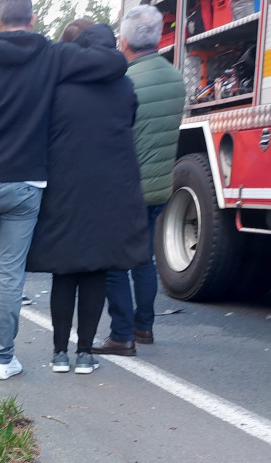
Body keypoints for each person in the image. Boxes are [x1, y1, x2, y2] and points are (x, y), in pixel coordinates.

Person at [0, 0, 128, 380]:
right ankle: (3, 359)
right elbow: (113, 64)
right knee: (10, 275)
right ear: (33, 19)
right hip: (26, 183)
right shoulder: (49, 55)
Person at [25, 20, 149, 374]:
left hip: (64, 188)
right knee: (95, 272)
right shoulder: (125, 87)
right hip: (108, 192)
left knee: (64, 274)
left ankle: (59, 353)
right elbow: (130, 123)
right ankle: (84, 354)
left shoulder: (58, 86)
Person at [93, 5, 186, 356]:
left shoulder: (125, 83)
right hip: (161, 185)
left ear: (125, 39)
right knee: (143, 259)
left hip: (126, 188)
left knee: (115, 263)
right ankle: (144, 326)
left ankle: (121, 335)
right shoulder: (175, 78)